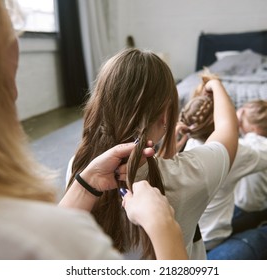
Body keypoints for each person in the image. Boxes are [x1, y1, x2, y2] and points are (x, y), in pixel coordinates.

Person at [0, 0, 187, 260]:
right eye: (10, 82)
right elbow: (226, 145)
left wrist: (84, 185)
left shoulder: (73, 173)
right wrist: (164, 228)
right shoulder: (55, 240)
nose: (15, 93)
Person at [65, 48, 239, 259]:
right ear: (165, 116)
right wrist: (215, 85)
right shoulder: (193, 174)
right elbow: (227, 128)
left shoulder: (81, 167)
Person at [179, 92, 267, 259]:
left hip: (199, 236)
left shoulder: (187, 145)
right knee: (252, 239)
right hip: (203, 241)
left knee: (248, 221)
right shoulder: (235, 152)